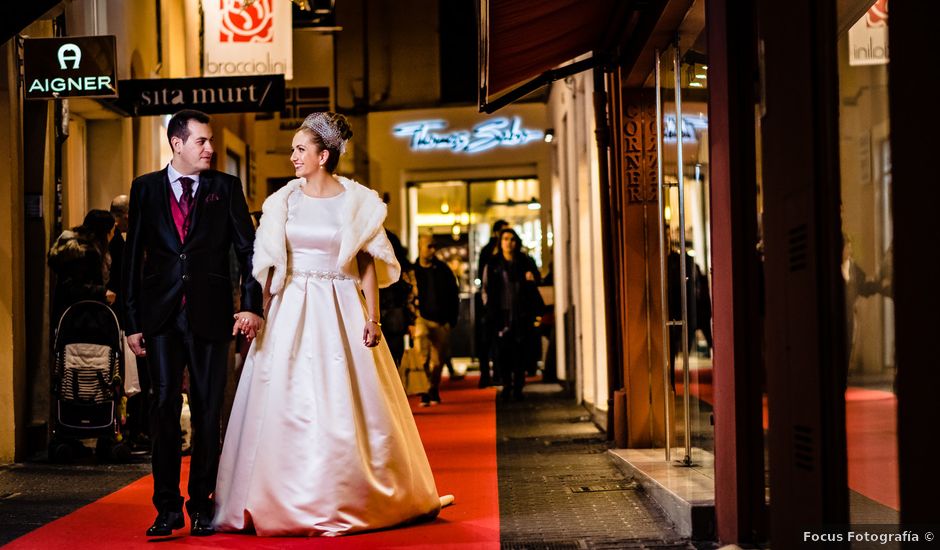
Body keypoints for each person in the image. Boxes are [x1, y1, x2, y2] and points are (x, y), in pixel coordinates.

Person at [213, 112, 451, 537]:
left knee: (346, 400)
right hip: (290, 307)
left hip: (340, 305)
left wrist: (372, 317)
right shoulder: (283, 201)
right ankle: (278, 495)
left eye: (300, 150)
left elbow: (365, 267)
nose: (293, 157)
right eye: (293, 150)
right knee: (286, 400)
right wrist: (259, 310)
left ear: (324, 155)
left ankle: (349, 493)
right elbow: (268, 265)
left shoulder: (355, 201)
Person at [123, 109, 263, 537]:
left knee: (206, 410)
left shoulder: (226, 187)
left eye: (211, 141)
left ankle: (202, 504)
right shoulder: (145, 189)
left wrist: (251, 305)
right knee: (162, 407)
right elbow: (132, 261)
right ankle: (166, 508)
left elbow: (249, 251)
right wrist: (131, 322)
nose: (211, 149)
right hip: (160, 316)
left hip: (211, 313)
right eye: (201, 141)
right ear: (177, 143)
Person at [482, 228, 542, 401]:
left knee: (520, 353)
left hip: (521, 313)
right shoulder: (493, 264)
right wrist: (489, 308)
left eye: (512, 239)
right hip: (501, 314)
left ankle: (518, 387)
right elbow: (485, 289)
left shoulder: (524, 261)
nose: (509, 243)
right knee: (503, 354)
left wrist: (532, 278)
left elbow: (536, 280)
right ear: (500, 243)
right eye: (506, 239)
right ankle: (507, 385)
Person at [413, 234, 460, 407]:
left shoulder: (443, 270)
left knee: (438, 360)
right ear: (420, 247)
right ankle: (425, 390)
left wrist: (451, 320)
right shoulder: (413, 271)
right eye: (429, 246)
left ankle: (433, 387)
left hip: (441, 320)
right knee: (422, 356)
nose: (432, 250)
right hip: (421, 319)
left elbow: (454, 295)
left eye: (434, 246)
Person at [48, 209, 117, 324]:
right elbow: (73, 288)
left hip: (69, 316)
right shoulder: (87, 253)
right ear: (104, 232)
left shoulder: (79, 249)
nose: (113, 235)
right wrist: (102, 292)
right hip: (80, 319)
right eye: (112, 231)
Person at [475, 219, 508, 387]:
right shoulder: (488, 253)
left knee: (496, 341)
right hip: (489, 304)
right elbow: (483, 278)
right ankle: (486, 374)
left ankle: (497, 372)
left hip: (501, 304)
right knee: (486, 340)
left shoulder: (506, 255)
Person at [380, 229, 417, 367]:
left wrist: (411, 321)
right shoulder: (402, 269)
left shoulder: (401, 270)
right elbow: (410, 294)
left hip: (392, 315)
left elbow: (410, 294)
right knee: (394, 360)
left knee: (387, 359)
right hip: (395, 315)